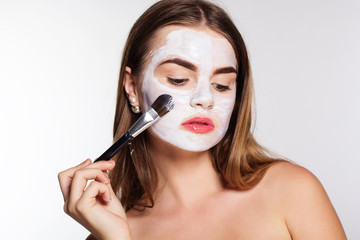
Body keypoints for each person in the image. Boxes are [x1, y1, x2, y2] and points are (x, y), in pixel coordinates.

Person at [58, 0, 347, 239]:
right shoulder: (110, 228)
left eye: (222, 85)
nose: (205, 98)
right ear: (132, 88)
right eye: (179, 79)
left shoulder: (290, 190)